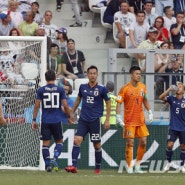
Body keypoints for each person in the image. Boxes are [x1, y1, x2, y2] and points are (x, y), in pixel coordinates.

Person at [65, 65, 111, 174]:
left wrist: (107, 119)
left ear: (97, 75)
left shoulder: (102, 88)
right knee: (76, 140)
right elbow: (78, 99)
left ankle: (97, 168)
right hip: (83, 120)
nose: (92, 75)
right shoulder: (82, 87)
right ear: (87, 75)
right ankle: (74, 166)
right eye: (90, 73)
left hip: (95, 121)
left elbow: (108, 103)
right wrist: (72, 113)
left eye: (94, 73)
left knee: (97, 145)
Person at [32, 70, 72, 172]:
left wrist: (34, 120)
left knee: (45, 144)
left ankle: (47, 164)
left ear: (45, 79)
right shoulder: (60, 89)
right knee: (59, 141)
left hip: (45, 120)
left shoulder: (41, 90)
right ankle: (54, 158)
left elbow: (37, 106)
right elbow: (65, 105)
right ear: (55, 78)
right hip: (56, 120)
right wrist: (69, 116)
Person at [116, 65, 153, 174]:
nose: (139, 76)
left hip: (140, 120)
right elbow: (119, 103)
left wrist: (150, 111)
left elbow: (145, 100)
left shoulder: (142, 87)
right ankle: (129, 166)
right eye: (137, 74)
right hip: (129, 120)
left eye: (140, 74)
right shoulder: (125, 88)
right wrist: (118, 116)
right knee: (130, 143)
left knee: (143, 142)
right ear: (131, 75)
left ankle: (137, 164)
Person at [159, 82, 185, 172]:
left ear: (183, 91)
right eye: (178, 86)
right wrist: (169, 89)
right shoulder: (171, 99)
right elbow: (161, 97)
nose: (178, 88)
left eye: (180, 87)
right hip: (173, 127)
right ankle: (169, 163)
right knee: (170, 145)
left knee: (183, 147)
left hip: (183, 128)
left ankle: (182, 165)